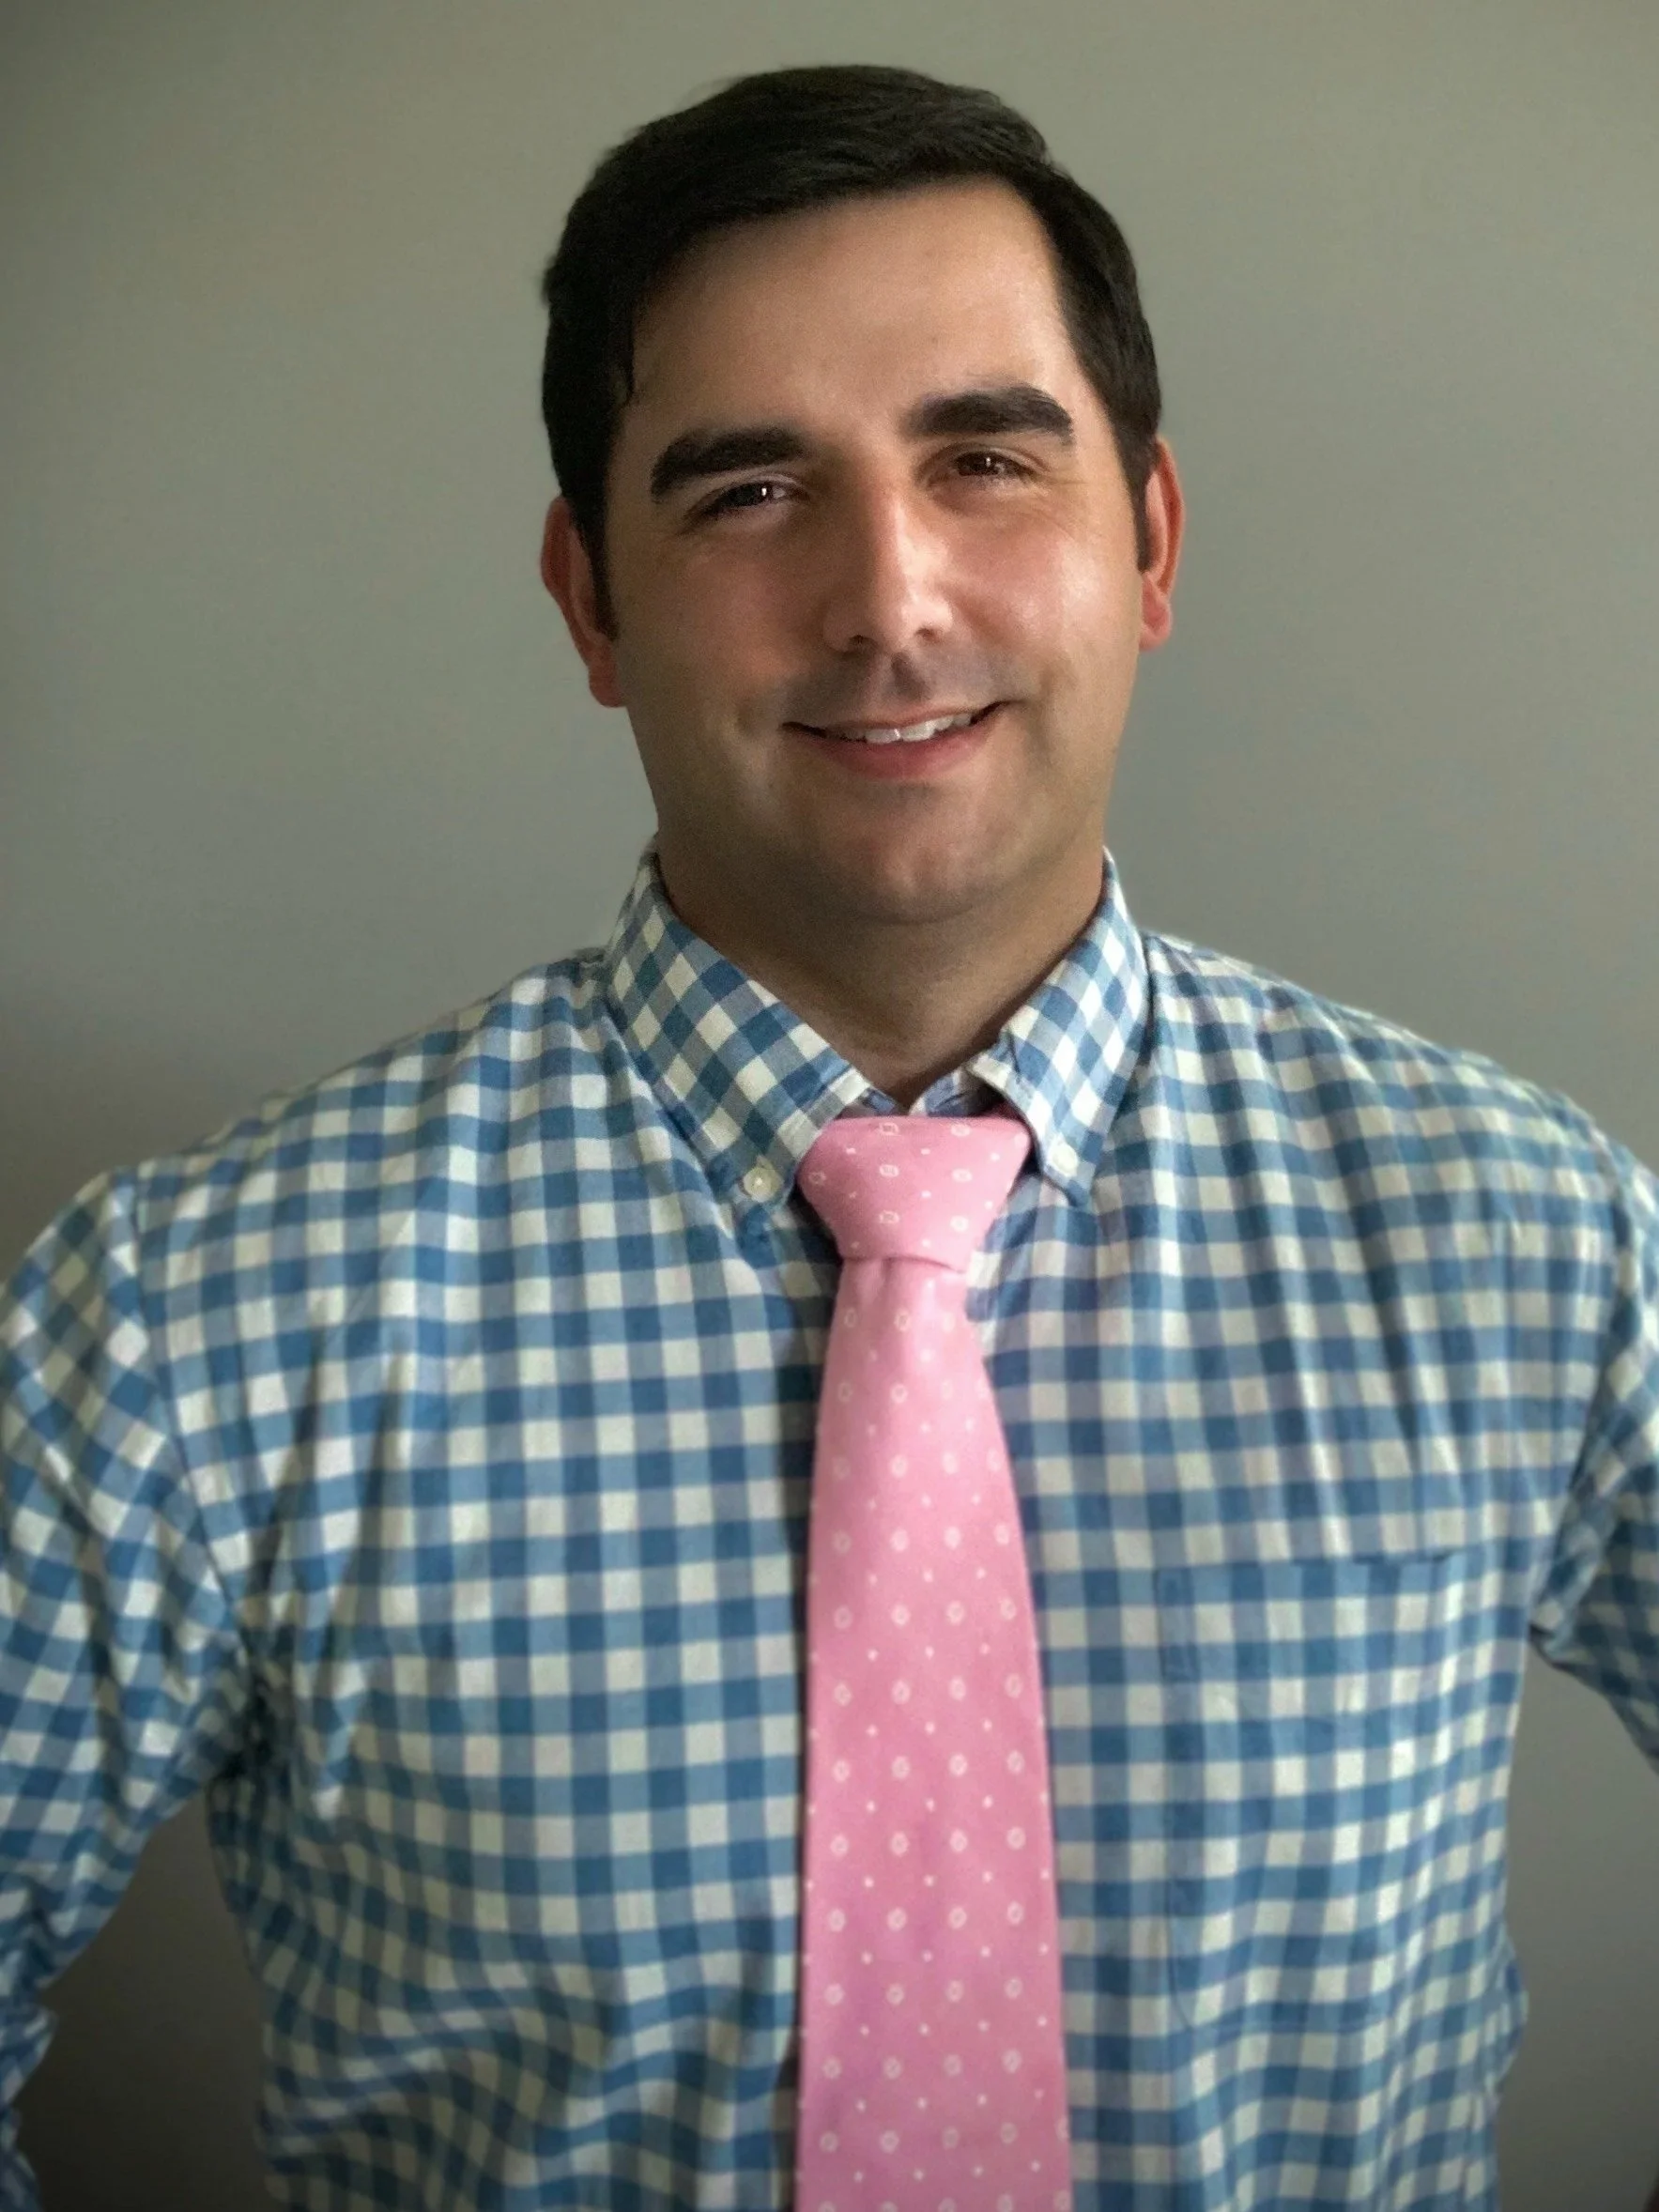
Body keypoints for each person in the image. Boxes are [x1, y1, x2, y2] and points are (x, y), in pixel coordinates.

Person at [2, 58, 1655, 2212]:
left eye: (985, 459)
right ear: (592, 600)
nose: (890, 601)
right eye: (750, 493)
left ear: (1145, 540)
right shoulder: (195, 1319)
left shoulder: (1523, 1237)